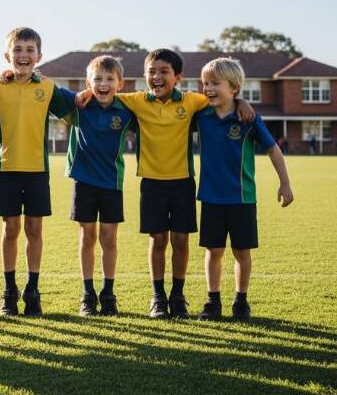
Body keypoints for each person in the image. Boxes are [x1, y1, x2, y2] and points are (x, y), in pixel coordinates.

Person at [94, 49, 254, 319]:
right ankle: (158, 297)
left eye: (164, 72)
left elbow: (223, 96)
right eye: (151, 72)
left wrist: (241, 101)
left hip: (182, 183)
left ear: (177, 77)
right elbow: (105, 94)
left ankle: (178, 297)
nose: (156, 77)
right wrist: (87, 92)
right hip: (152, 184)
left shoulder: (194, 101)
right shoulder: (135, 101)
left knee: (181, 241)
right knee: (158, 240)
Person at [195, 58, 294, 321]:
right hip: (211, 198)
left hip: (242, 198)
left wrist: (285, 183)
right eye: (206, 83)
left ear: (235, 87)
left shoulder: (248, 118)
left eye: (215, 83)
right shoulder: (201, 116)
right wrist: (238, 100)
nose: (208, 88)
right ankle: (212, 301)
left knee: (242, 252)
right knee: (213, 251)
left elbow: (273, 149)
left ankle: (241, 301)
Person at [0, 27, 71, 316]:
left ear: (39, 56)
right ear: (7, 56)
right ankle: (9, 291)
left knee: (34, 230)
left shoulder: (47, 88)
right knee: (10, 230)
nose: (23, 55)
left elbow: (75, 108)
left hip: (37, 171)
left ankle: (32, 290)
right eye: (17, 50)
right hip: (7, 169)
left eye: (29, 50)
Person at [58, 56, 136, 317]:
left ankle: (108, 293)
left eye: (110, 79)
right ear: (88, 83)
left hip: (112, 183)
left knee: (109, 239)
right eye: (97, 79)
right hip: (84, 182)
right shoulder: (80, 105)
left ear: (120, 83)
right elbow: (50, 92)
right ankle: (88, 294)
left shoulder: (126, 109)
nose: (103, 84)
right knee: (87, 237)